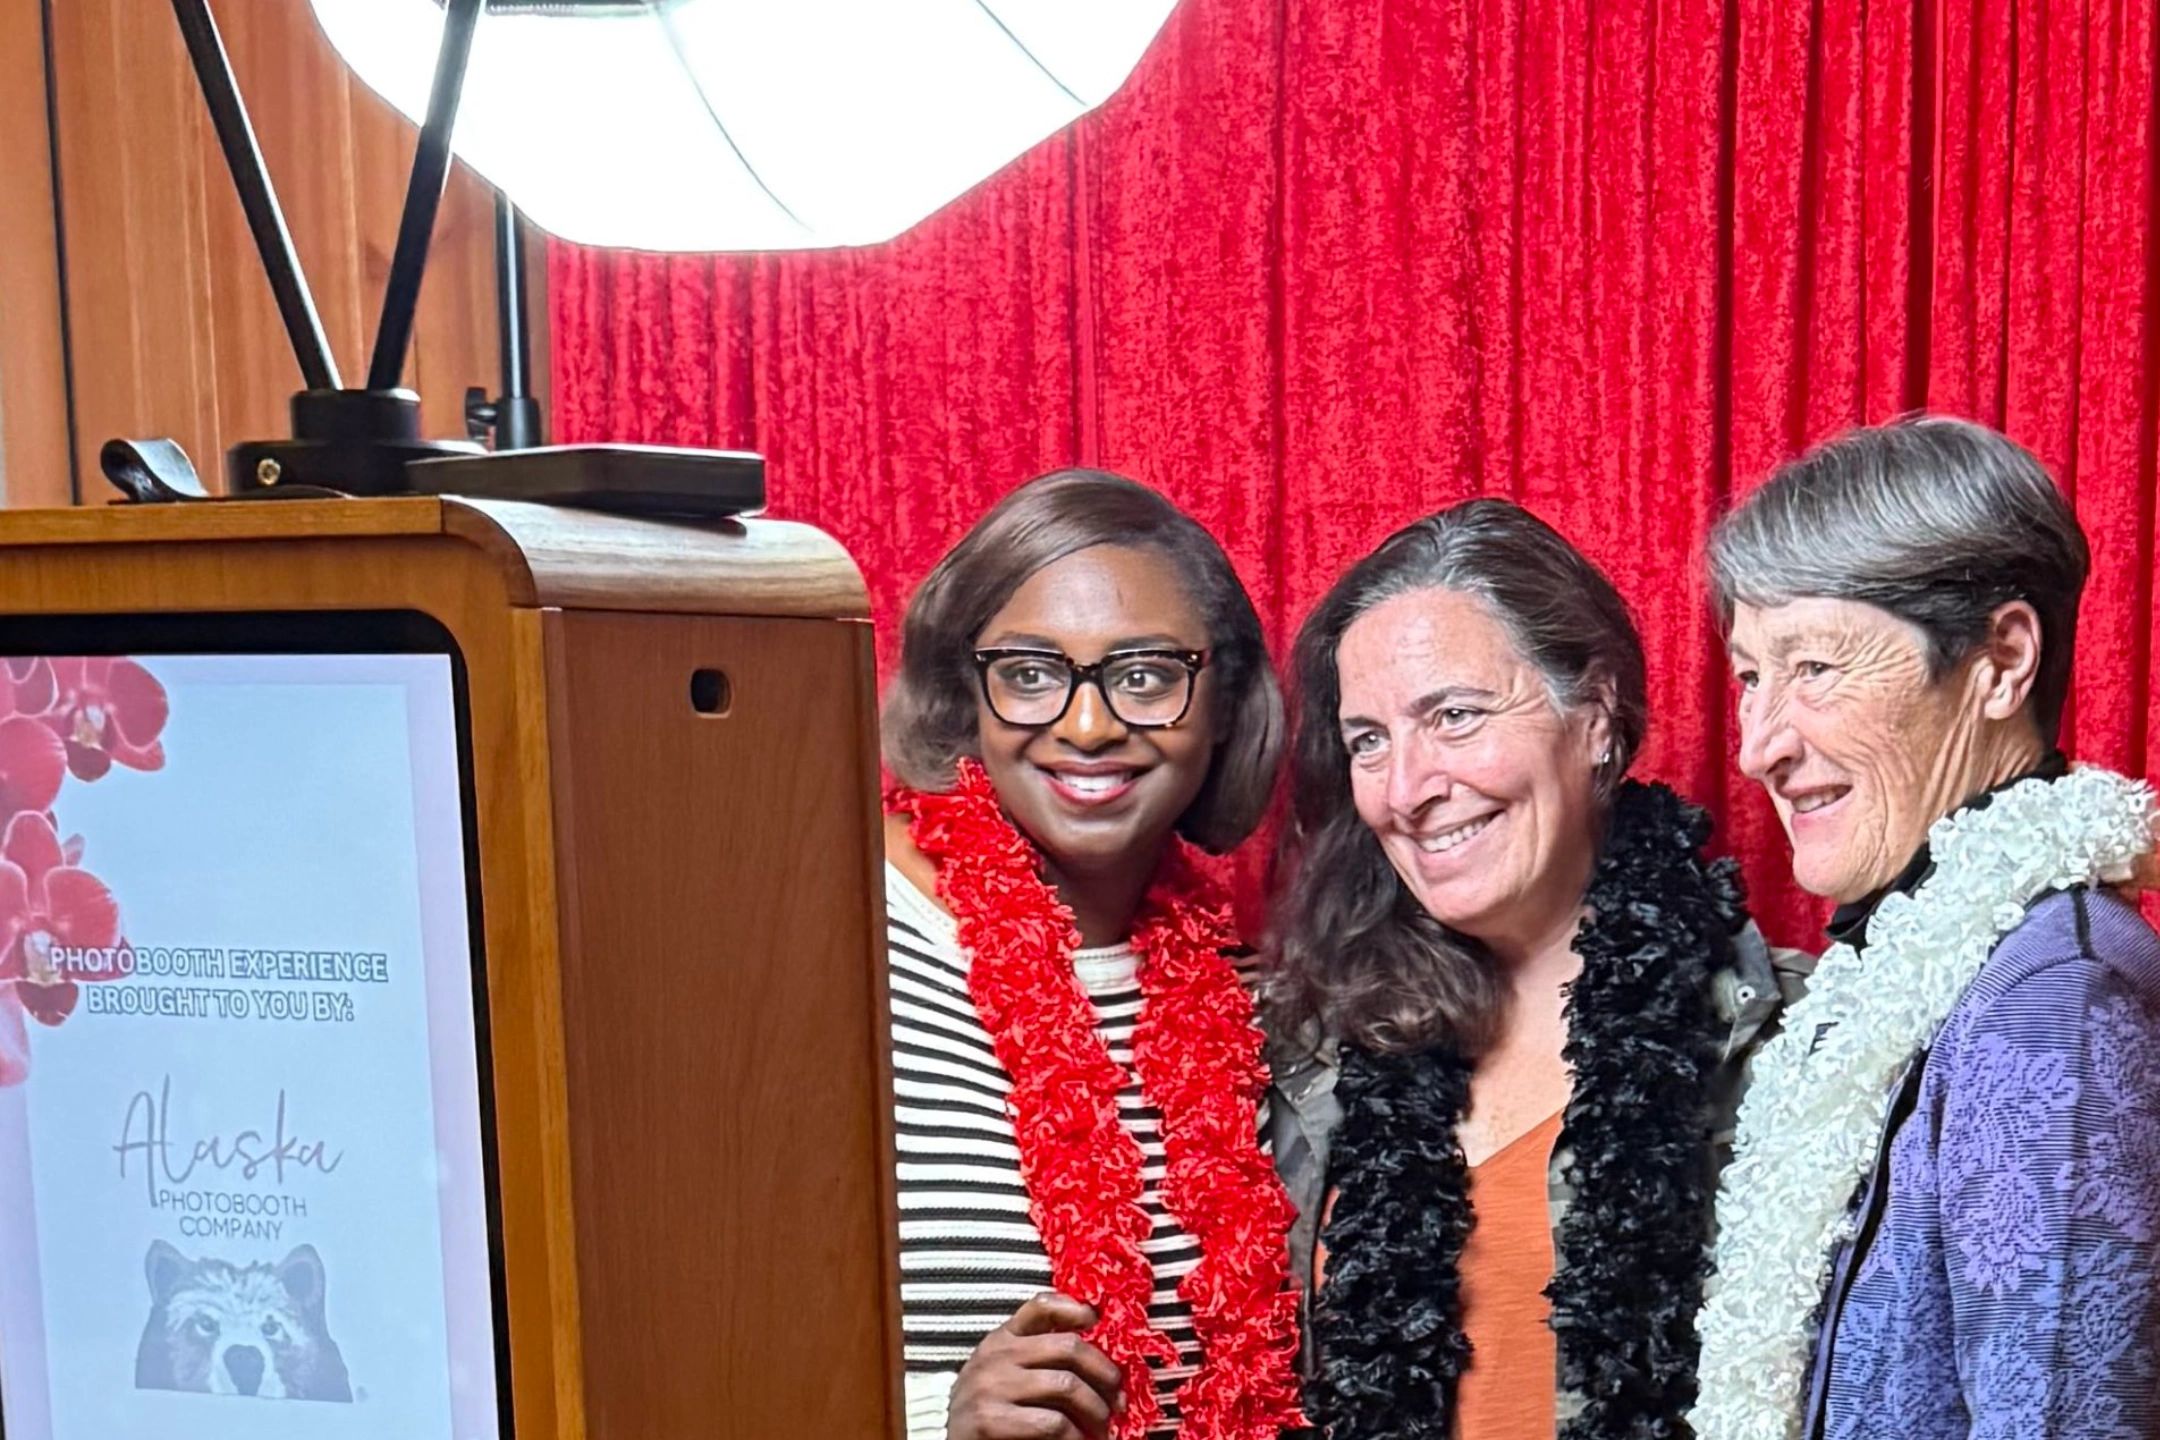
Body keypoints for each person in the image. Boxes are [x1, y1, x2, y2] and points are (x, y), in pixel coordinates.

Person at [1266, 498, 1806, 1440]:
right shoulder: (1311, 1046)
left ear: (1594, 715)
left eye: (1456, 716)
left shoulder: (1789, 1038)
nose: (1406, 790)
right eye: (1369, 740)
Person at [1691, 415, 2160, 1440]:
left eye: (1814, 667)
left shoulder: (2055, 1003)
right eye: (1750, 676)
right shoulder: (1916, 972)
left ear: (1999, 661)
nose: (1759, 747)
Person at [880, 469, 1304, 1440]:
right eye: (1030, 673)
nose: (1087, 726)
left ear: (1224, 703)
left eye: (1147, 674)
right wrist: (930, 1420)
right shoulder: (838, 952)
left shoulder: (1261, 1008)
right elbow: (686, 1334)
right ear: (964, 695)